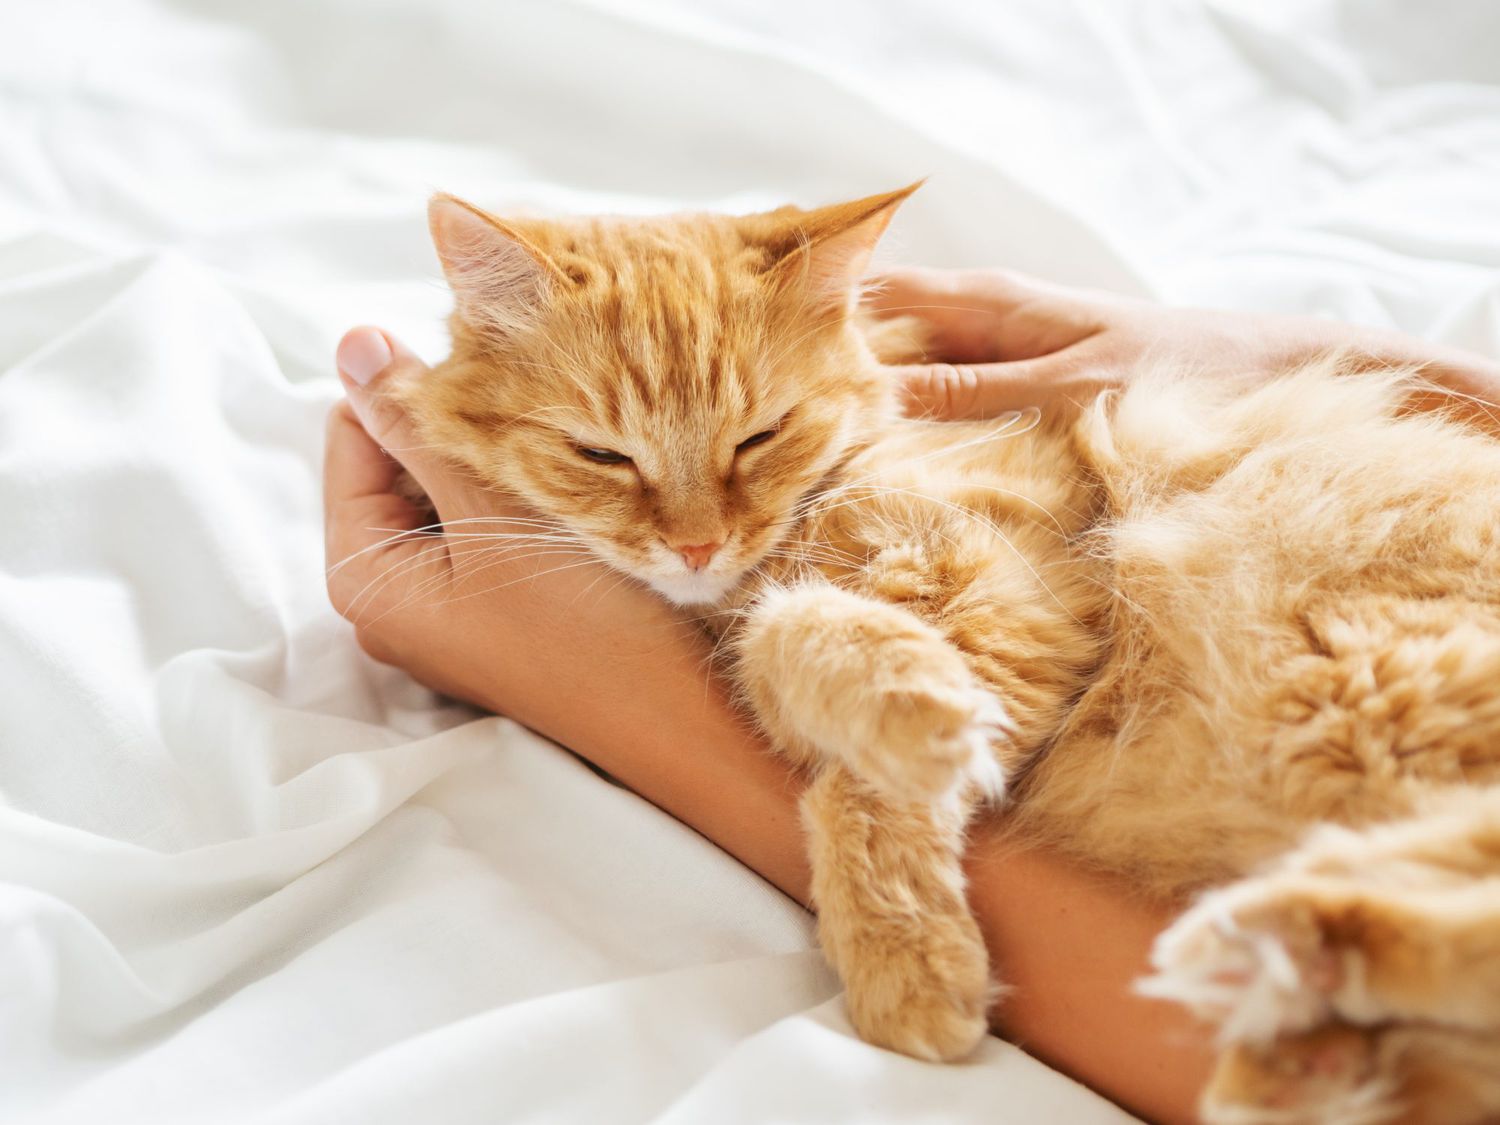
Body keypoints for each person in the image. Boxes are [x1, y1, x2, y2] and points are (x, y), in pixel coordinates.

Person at [322, 267, 1500, 1125]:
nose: (693, 528)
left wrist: (669, 730)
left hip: (1318, 592)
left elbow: (994, 613)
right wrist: (1408, 371)